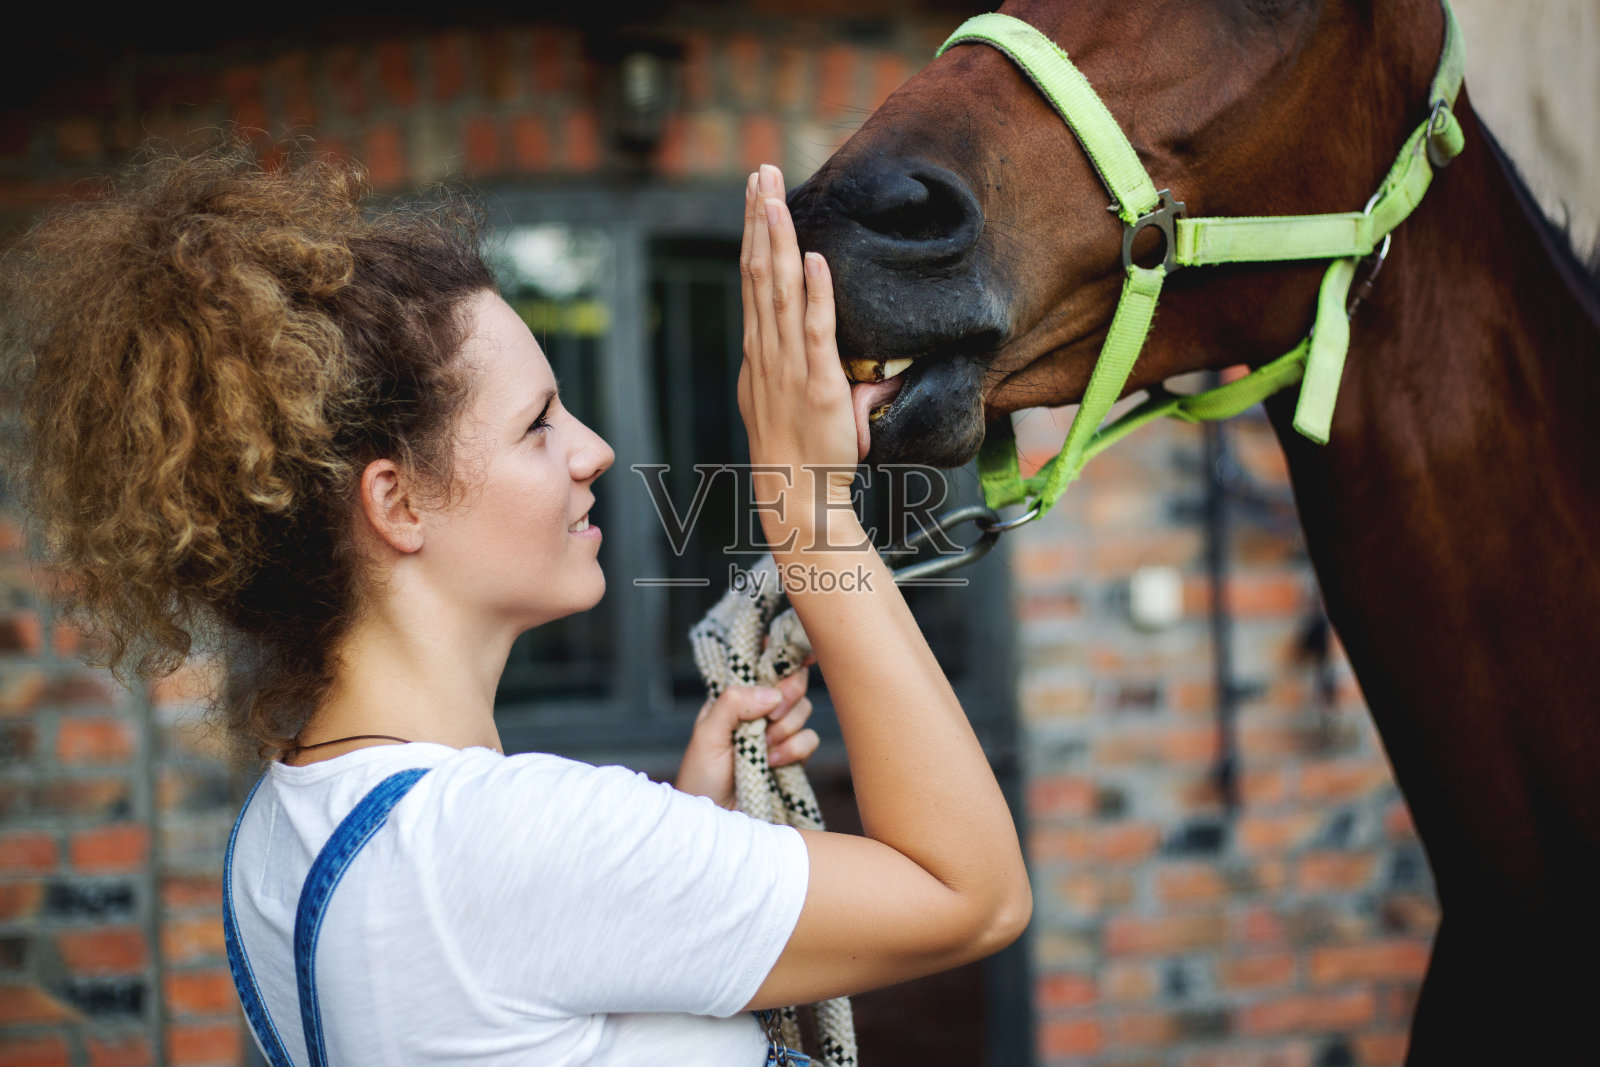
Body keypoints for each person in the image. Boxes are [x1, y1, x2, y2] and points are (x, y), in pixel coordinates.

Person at [2, 144, 1030, 1065]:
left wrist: (690, 838)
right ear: (396, 504)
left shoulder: (279, 836)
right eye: (538, 424)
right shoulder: (509, 843)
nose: (594, 449)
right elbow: (971, 895)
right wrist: (807, 510)